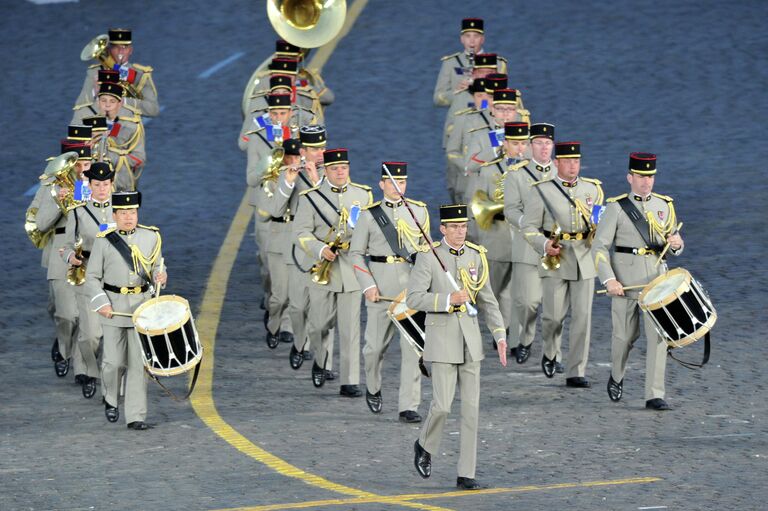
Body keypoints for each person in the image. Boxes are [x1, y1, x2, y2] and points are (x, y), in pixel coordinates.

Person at [409, 204, 507, 490]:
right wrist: (446, 300)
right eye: (453, 227)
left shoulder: (476, 256)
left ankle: (467, 473)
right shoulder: (428, 258)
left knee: (472, 410)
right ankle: (424, 444)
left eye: (463, 226)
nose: (459, 231)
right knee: (441, 406)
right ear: (443, 229)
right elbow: (414, 299)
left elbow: (488, 300)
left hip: (470, 343)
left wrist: (499, 334)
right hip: (441, 341)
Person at [592, 153, 684, 410]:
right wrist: (609, 279)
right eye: (641, 177)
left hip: (656, 283)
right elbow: (599, 248)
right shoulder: (616, 208)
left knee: (658, 338)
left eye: (650, 177)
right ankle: (617, 374)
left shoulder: (665, 205)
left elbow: (673, 240)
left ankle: (654, 394)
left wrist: (676, 244)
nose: (647, 182)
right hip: (624, 282)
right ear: (630, 178)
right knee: (624, 337)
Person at [348, 162, 429, 422]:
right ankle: (373, 387)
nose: (397, 188)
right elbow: (356, 254)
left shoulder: (418, 211)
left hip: (410, 291)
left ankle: (409, 405)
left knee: (413, 350)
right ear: (382, 185)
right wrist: (368, 285)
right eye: (392, 183)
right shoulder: (370, 215)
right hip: (380, 288)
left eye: (402, 183)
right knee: (373, 349)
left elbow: (426, 253)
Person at [521, 142, 604, 387]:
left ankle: (575, 371)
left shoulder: (594, 189)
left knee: (583, 317)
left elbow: (600, 220)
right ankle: (550, 352)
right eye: (567, 161)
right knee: (553, 317)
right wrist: (543, 244)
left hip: (585, 257)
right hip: (556, 256)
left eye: (576, 161)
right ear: (557, 163)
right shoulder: (542, 190)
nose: (572, 166)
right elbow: (528, 226)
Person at [293, 148, 372, 395]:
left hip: (351, 269)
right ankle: (319, 358)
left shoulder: (363, 194)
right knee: (318, 325)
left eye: (344, 168)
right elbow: (300, 233)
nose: (340, 172)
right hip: (323, 269)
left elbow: (371, 230)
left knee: (350, 329)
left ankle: (350, 381)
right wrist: (319, 249)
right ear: (325, 171)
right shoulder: (310, 197)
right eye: (335, 169)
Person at [85, 191, 166, 430]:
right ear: (115, 214)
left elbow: (155, 269)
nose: (129, 217)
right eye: (123, 213)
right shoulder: (104, 240)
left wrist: (161, 276)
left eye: (132, 212)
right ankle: (111, 398)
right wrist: (102, 303)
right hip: (113, 308)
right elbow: (92, 278)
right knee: (112, 362)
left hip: (140, 309)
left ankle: (136, 416)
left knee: (138, 365)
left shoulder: (151, 237)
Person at [34, 140, 92, 381]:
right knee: (65, 314)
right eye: (76, 165)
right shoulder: (51, 187)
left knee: (85, 314)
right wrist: (58, 200)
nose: (81, 170)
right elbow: (40, 224)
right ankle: (63, 344)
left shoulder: (97, 184)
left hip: (88, 254)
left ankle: (82, 367)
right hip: (60, 254)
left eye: (86, 164)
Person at [503, 123, 557, 364]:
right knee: (528, 302)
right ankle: (525, 338)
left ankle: (553, 355)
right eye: (538, 143)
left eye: (547, 143)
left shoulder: (561, 172)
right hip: (527, 244)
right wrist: (530, 225)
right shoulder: (517, 175)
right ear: (529, 146)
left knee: (556, 307)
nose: (544, 147)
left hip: (557, 246)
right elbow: (511, 210)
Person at [61, 162, 115, 399]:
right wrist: (71, 256)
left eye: (105, 184)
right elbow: (66, 245)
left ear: (112, 185)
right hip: (88, 274)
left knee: (114, 334)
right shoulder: (78, 210)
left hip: (115, 276)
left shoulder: (122, 209)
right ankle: (90, 372)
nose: (102, 189)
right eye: (97, 185)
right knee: (91, 333)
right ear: (89, 185)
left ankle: (109, 382)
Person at [284, 127, 335, 376]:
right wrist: (288, 182)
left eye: (323, 148)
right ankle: (298, 343)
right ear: (302, 151)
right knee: (297, 307)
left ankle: (323, 362)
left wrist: (318, 182)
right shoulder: (289, 173)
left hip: (327, 250)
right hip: (300, 250)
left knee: (323, 313)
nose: (320, 154)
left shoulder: (333, 173)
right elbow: (273, 207)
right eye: (314, 149)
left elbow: (338, 211)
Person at [260, 138, 302, 348]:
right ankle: (273, 324)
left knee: (295, 293)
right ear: (283, 156)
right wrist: (287, 183)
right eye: (290, 156)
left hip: (298, 239)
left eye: (297, 156)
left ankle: (287, 327)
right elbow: (273, 210)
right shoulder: (271, 180)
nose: (294, 160)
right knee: (279, 295)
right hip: (278, 239)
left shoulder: (306, 180)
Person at [73, 81, 146, 191]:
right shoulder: (84, 125)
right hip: (87, 184)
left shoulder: (131, 127)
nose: (107, 105)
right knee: (80, 206)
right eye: (103, 100)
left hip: (119, 184)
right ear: (98, 102)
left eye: (112, 101)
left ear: (120, 103)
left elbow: (139, 159)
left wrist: (111, 157)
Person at [74, 28, 159, 117]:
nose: (120, 51)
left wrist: (125, 101)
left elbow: (153, 110)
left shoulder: (140, 75)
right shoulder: (94, 73)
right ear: (108, 49)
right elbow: (79, 106)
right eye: (115, 47)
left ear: (130, 50)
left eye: (125, 47)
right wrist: (94, 92)